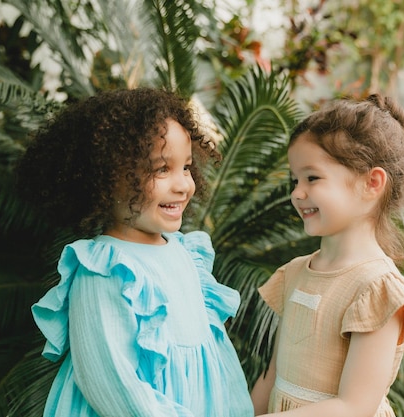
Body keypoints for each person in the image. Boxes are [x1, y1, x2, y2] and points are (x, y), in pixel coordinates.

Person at [15, 87, 254, 417]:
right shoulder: (104, 269)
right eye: (161, 169)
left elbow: (218, 359)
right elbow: (114, 384)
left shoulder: (187, 254)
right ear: (107, 178)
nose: (184, 185)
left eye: (186, 167)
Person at [250, 94, 404, 417]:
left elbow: (354, 406)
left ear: (371, 183)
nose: (296, 192)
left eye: (312, 178)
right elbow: (273, 376)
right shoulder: (294, 273)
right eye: (295, 180)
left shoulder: (376, 289)